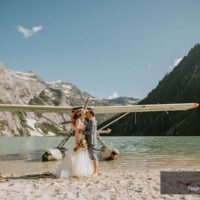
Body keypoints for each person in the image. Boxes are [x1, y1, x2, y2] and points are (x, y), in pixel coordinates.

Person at [56, 110, 93, 178]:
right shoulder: (78, 120)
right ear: (81, 114)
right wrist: (76, 142)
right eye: (84, 113)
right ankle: (73, 171)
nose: (86, 114)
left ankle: (82, 170)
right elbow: (76, 131)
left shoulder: (83, 121)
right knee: (76, 153)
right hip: (79, 138)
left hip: (83, 138)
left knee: (82, 154)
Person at [83, 110, 99, 176]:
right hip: (90, 141)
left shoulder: (92, 121)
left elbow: (91, 131)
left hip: (91, 141)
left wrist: (83, 132)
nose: (86, 114)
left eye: (87, 113)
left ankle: (95, 172)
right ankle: (96, 171)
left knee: (94, 156)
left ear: (91, 114)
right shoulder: (90, 120)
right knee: (93, 156)